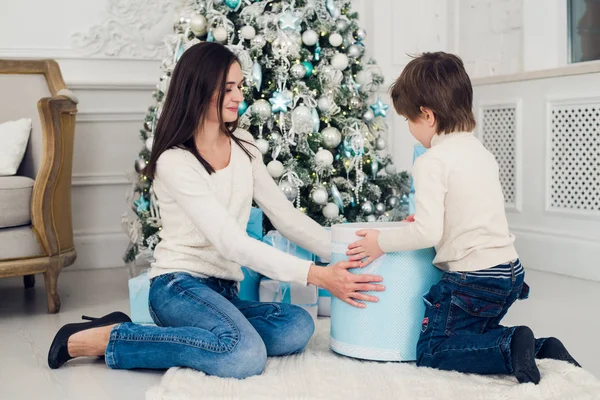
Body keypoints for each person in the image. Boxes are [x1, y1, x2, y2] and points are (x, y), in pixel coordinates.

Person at [48, 42, 385, 378]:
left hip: (223, 290)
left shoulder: (246, 147)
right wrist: (316, 274)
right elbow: (229, 241)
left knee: (296, 326)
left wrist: (346, 252)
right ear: (199, 89)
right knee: (242, 354)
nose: (238, 96)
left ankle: (165, 335)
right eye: (227, 88)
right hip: (177, 286)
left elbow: (285, 216)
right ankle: (107, 338)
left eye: (239, 86)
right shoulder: (175, 161)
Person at [346, 52, 580, 384]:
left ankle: (512, 342)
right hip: (509, 273)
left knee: (434, 349)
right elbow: (467, 210)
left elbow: (427, 233)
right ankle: (541, 348)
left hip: (474, 280)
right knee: (471, 333)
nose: (410, 129)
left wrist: (380, 242)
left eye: (408, 120)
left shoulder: (431, 161)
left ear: (427, 115)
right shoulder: (478, 151)